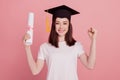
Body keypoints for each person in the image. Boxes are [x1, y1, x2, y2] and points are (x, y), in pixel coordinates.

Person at [23, 5, 97, 80]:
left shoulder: (76, 46)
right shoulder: (45, 47)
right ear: (54, 25)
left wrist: (93, 40)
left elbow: (90, 65)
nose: (61, 27)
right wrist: (27, 48)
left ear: (69, 25)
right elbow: (35, 71)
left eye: (65, 23)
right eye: (58, 23)